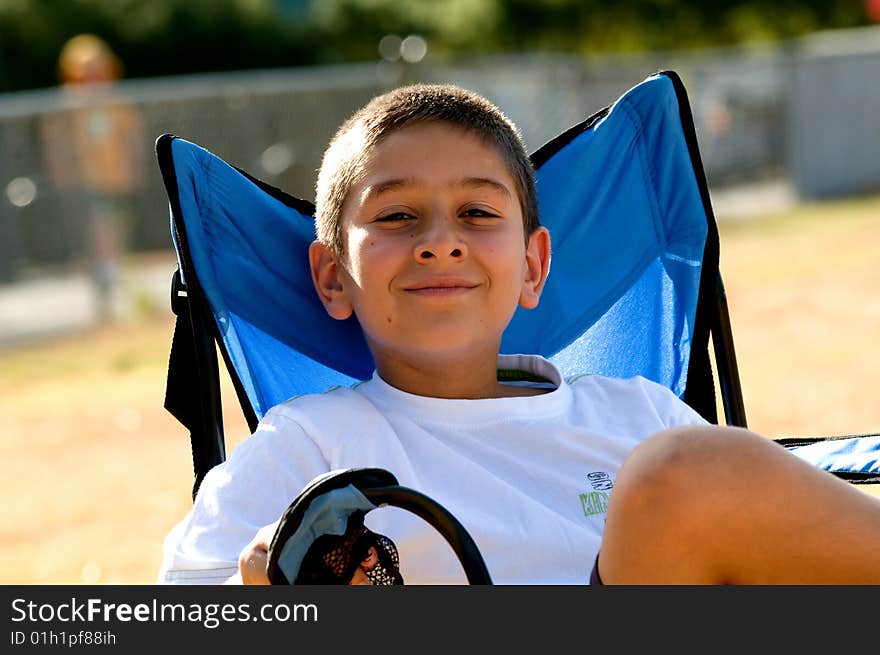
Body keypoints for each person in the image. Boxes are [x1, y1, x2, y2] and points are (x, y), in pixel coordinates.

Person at [159, 84, 880, 585]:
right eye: (397, 216)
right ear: (331, 277)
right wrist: (258, 582)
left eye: (477, 213)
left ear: (533, 265)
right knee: (683, 474)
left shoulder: (636, 413)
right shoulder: (308, 446)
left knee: (686, 473)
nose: (440, 242)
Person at [40, 34, 145, 322]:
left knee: (114, 239)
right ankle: (107, 297)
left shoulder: (117, 103)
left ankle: (114, 293)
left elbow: (131, 141)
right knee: (100, 238)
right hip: (85, 186)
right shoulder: (65, 107)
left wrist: (134, 172)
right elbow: (58, 147)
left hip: (116, 182)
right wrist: (64, 176)